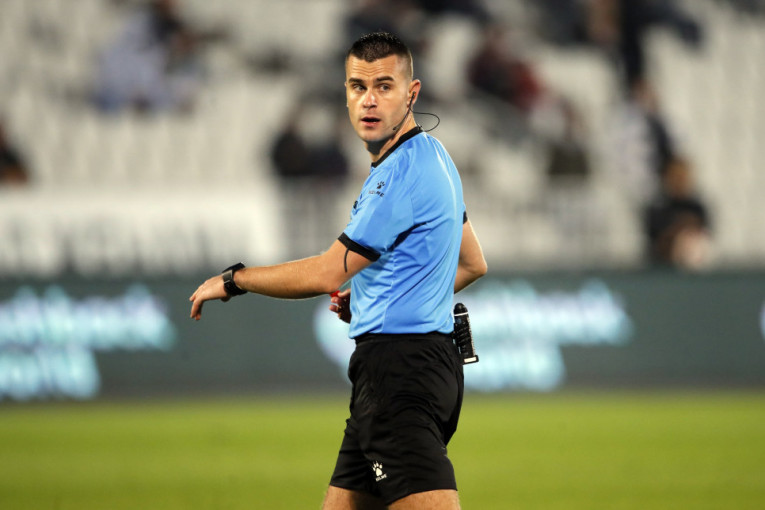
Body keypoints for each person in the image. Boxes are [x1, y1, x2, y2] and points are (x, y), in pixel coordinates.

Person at [189, 31, 487, 509]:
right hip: (428, 366)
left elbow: (327, 273)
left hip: (398, 375)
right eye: (357, 86)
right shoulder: (435, 156)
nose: (369, 100)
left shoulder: (396, 177)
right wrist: (381, 297)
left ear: (411, 93)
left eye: (384, 86)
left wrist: (235, 280)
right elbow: (472, 263)